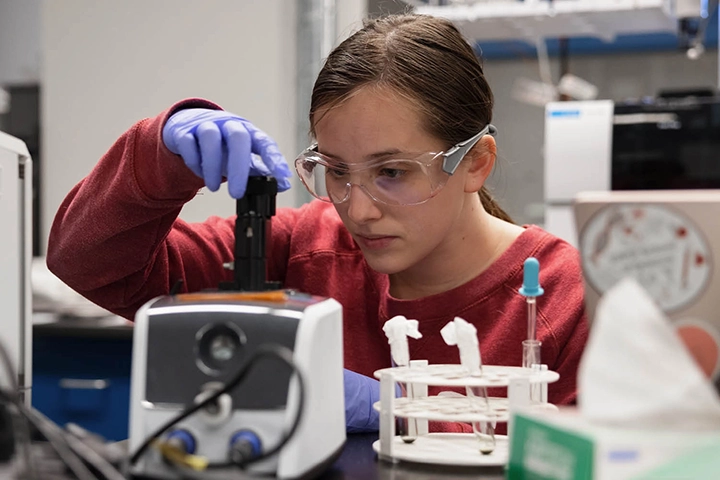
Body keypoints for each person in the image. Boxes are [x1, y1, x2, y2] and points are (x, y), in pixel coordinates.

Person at [47, 13, 588, 434]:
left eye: (392, 172)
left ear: (475, 162)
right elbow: (89, 264)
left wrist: (406, 411)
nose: (357, 209)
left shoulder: (566, 299)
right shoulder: (300, 248)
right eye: (335, 172)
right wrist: (155, 155)